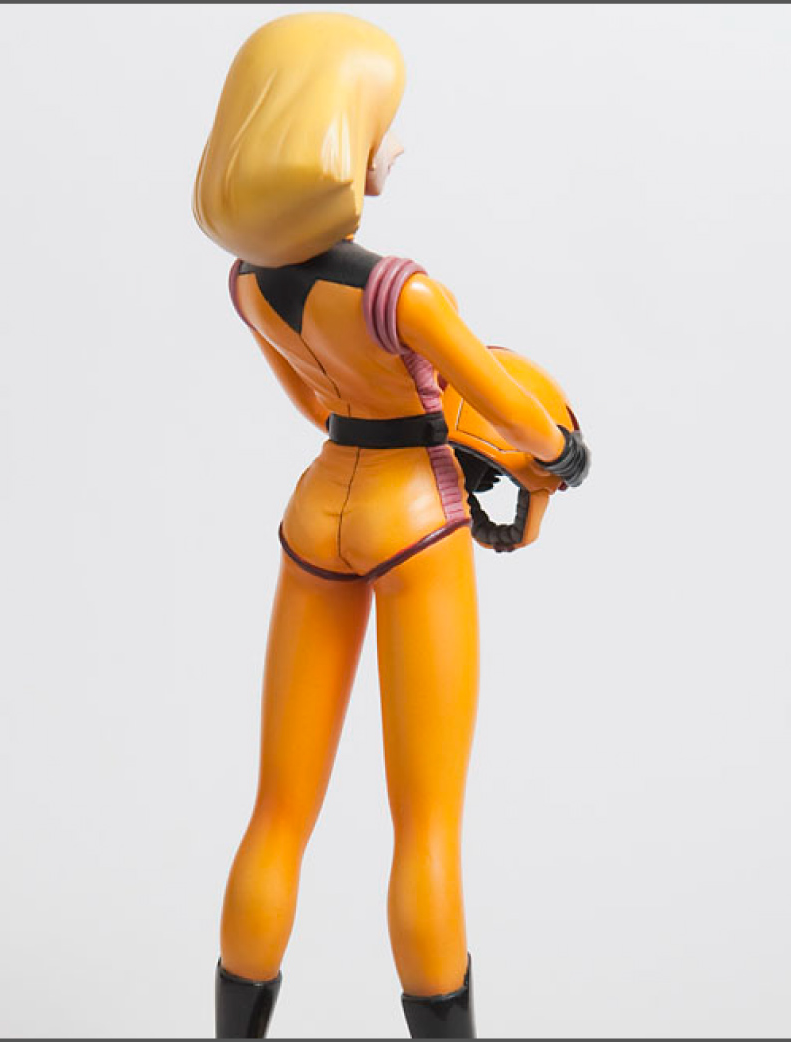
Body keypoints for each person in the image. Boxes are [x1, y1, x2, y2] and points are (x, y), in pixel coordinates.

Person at [192, 12, 590, 1038]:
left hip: (317, 509)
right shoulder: (401, 292)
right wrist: (560, 455)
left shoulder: (249, 283)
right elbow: (509, 409)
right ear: (332, 138)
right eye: (383, 123)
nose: (396, 143)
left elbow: (309, 403)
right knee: (426, 829)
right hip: (412, 519)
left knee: (278, 810)